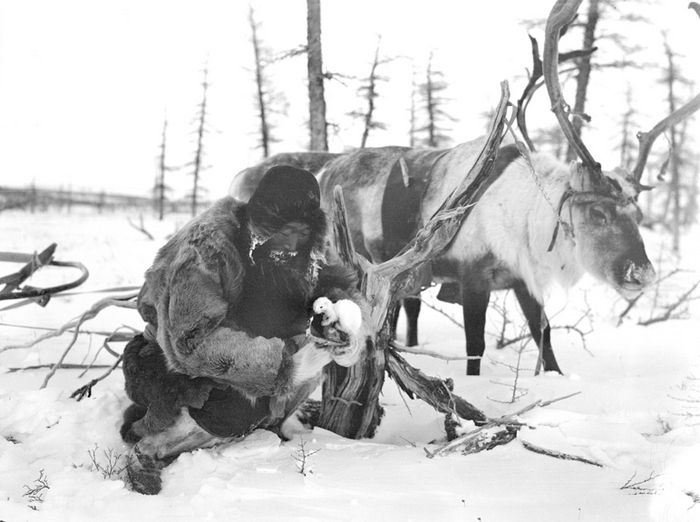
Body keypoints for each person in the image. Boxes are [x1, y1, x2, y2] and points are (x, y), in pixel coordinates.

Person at [120, 165, 369, 495]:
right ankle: (154, 445)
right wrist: (287, 369)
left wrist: (348, 326)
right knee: (236, 410)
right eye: (285, 231)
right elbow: (192, 342)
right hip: (164, 364)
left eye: (303, 233)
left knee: (302, 360)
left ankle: (265, 418)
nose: (294, 244)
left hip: (245, 352)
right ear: (262, 221)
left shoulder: (304, 246)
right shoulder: (206, 249)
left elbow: (338, 288)